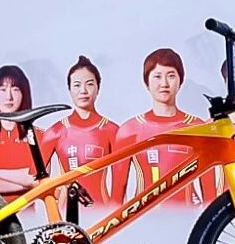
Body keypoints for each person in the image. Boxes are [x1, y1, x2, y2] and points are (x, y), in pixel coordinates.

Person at [118, 47, 207, 213]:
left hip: (188, 218)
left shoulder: (197, 127)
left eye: (171, 76)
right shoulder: (130, 129)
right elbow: (116, 194)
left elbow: (210, 192)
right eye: (157, 76)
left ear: (180, 80)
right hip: (143, 218)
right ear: (147, 82)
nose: (164, 84)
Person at [41, 56, 119, 214]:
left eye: (89, 84)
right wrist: (60, 194)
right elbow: (38, 183)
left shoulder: (112, 131)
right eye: (77, 85)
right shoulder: (55, 132)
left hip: (102, 212)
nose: (83, 91)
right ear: (69, 89)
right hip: (66, 214)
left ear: (98, 88)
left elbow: (120, 184)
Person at [0, 66, 41, 196]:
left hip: (29, 209)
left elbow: (39, 180)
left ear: (24, 94)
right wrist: (25, 183)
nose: (9, 97)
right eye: (3, 89)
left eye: (15, 89)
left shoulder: (39, 136)